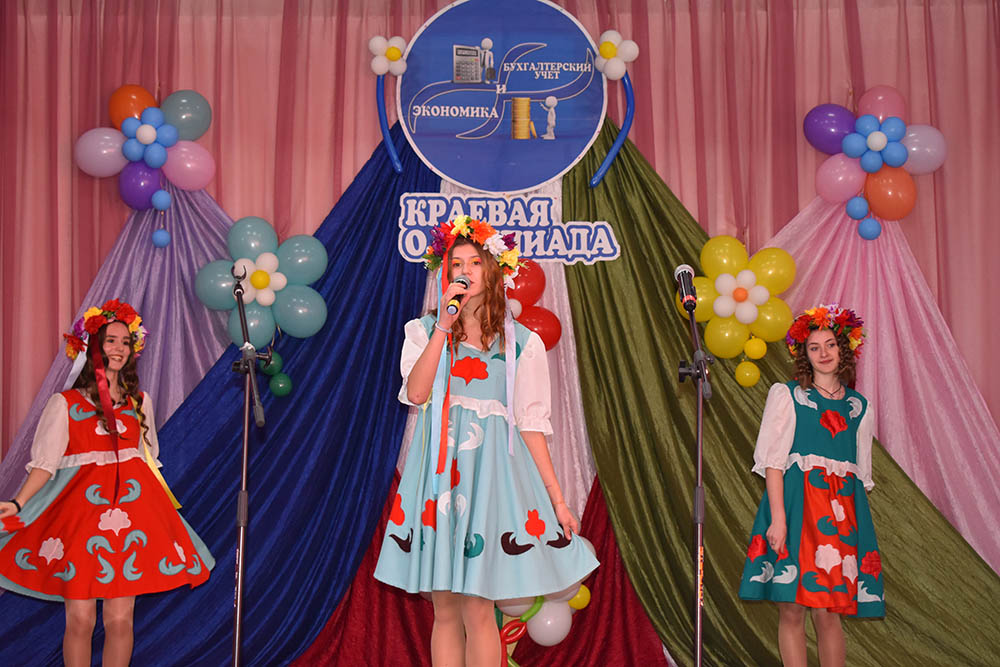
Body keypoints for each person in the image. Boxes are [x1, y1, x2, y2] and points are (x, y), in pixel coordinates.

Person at [374, 217, 598, 666]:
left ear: (493, 271)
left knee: (479, 610)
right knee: (445, 611)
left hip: (489, 483)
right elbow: (416, 393)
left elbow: (531, 425)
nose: (465, 270)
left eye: (475, 262)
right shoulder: (423, 331)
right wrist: (443, 325)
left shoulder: (521, 344)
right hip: (439, 480)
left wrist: (556, 500)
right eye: (456, 263)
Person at [0, 299, 214, 667]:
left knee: (120, 619)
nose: (119, 348)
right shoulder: (65, 404)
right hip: (81, 522)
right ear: (92, 348)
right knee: (81, 619)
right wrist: (18, 503)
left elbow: (148, 461)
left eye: (125, 342)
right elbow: (45, 465)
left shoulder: (139, 403)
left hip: (131, 520)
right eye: (110, 340)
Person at [739, 304, 884, 666]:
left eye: (830, 345)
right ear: (804, 354)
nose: (823, 353)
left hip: (838, 518)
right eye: (814, 347)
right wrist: (778, 520)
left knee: (828, 611)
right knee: (791, 609)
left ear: (843, 349)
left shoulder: (859, 407)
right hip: (796, 511)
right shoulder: (787, 396)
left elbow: (859, 476)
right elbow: (774, 463)